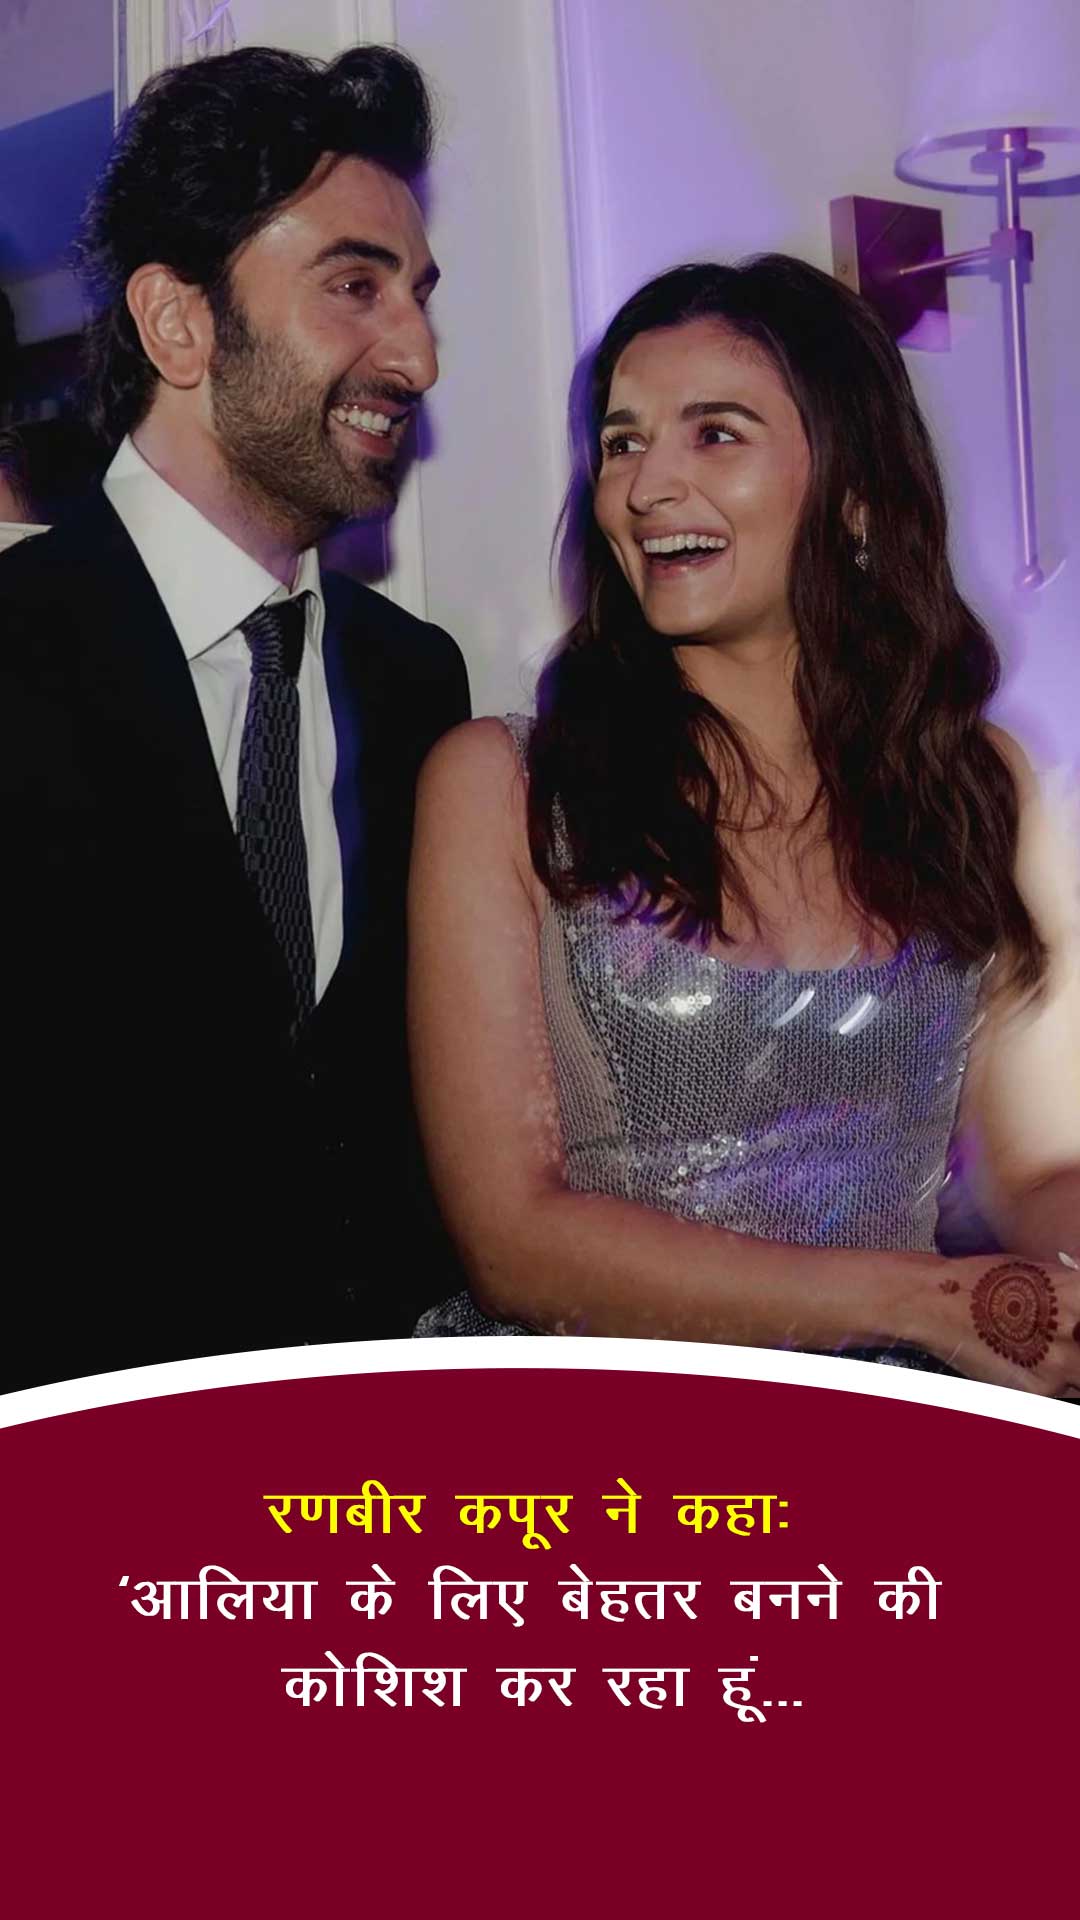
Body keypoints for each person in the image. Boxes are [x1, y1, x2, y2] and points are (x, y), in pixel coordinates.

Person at [409, 255, 1080, 1398]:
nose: (647, 488)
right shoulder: (507, 788)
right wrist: (917, 1301)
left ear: (855, 492)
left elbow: (1036, 1166)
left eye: (714, 434)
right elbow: (514, 1241)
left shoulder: (976, 785)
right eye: (623, 443)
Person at [0, 45, 469, 1391]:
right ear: (179, 324)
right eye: (355, 286)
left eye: (419, 296)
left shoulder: (418, 683)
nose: (419, 354)